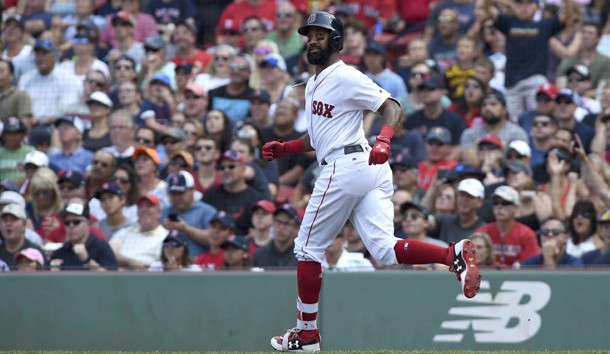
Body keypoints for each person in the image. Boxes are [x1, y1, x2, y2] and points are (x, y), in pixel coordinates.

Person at [263, 12, 481, 352]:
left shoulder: (346, 76)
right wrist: (286, 148)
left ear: (336, 41)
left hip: (349, 164)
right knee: (384, 249)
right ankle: (452, 255)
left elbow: (391, 106)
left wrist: (385, 139)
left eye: (320, 35)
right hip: (359, 165)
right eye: (310, 35)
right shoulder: (313, 83)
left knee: (307, 248)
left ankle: (306, 334)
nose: (313, 41)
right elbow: (318, 136)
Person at [475, 185, 540, 268]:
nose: (499, 206)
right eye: (496, 203)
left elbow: (531, 266)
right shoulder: (482, 232)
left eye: (505, 203)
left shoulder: (526, 235)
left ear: (516, 208)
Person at [162, 171, 217, 257]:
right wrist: (162, 230)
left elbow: (214, 240)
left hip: (198, 264)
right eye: (173, 193)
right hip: (169, 264)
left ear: (192, 190)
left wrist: (185, 229)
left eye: (180, 193)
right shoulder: (164, 212)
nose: (177, 197)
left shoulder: (206, 211)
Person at [49, 202, 117, 271]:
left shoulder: (101, 247)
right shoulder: (60, 253)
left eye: (76, 222)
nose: (71, 226)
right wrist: (54, 273)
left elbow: (111, 278)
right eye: (67, 223)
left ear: (87, 223)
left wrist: (87, 260)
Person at [109, 194, 168, 268]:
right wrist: (132, 263)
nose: (144, 209)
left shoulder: (166, 236)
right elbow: (110, 252)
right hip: (120, 275)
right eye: (141, 207)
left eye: (148, 206)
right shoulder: (125, 232)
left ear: (159, 213)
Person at [251, 204, 300, 270]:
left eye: (287, 223)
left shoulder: (300, 255)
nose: (281, 227)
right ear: (273, 223)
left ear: (295, 227)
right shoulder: (260, 254)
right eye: (278, 222)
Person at [0, 203, 45, 269]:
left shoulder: (36, 252)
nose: (8, 224)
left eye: (13, 220)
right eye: (5, 220)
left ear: (24, 225)